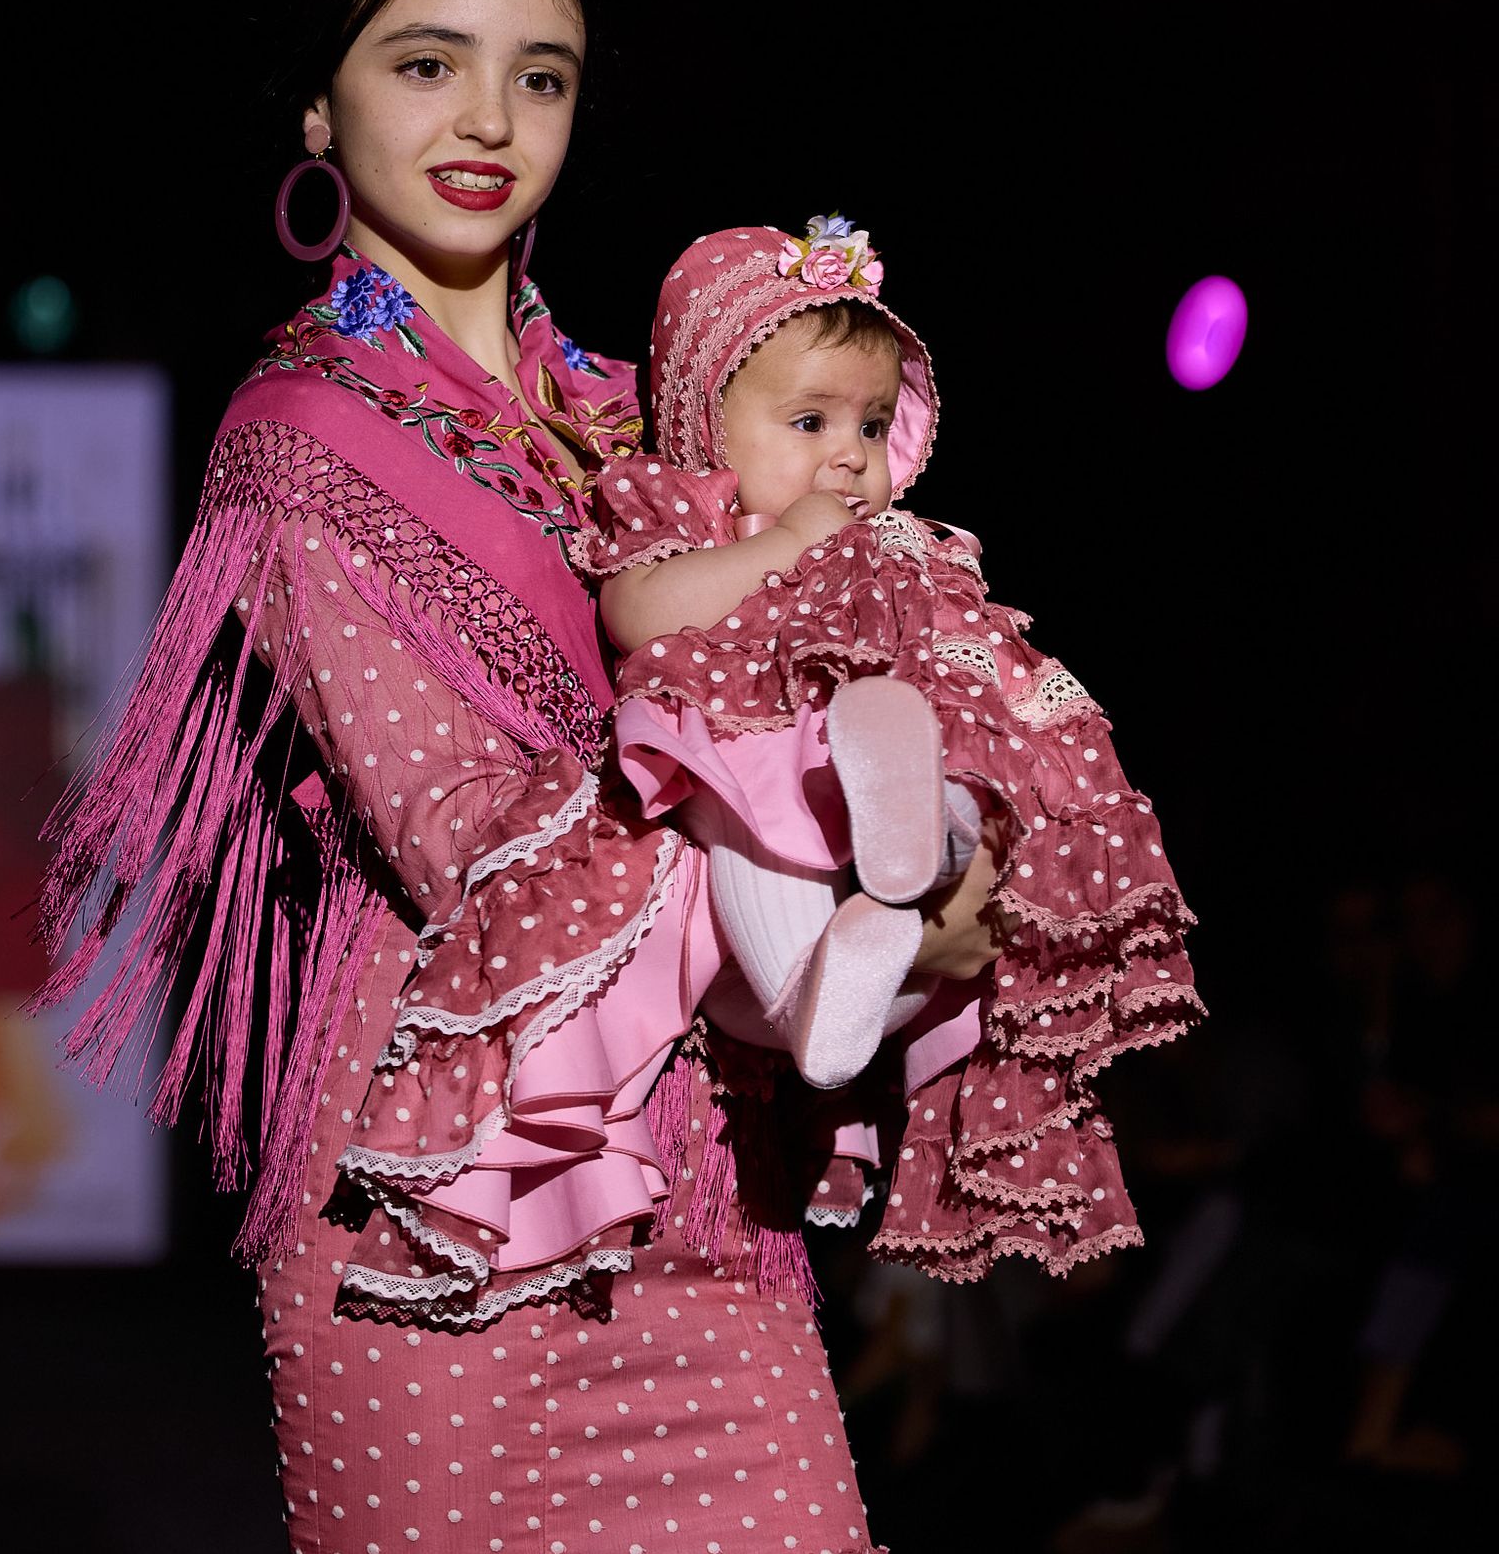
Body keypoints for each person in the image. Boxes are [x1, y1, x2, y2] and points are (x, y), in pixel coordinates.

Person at [30, 0, 997, 1554]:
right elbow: (483, 841)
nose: (489, 120)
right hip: (440, 1226)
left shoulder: (651, 414)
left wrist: (949, 866)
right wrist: (846, 901)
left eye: (536, 75)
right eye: (425, 62)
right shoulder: (298, 443)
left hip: (701, 1198)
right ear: (321, 94)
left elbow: (831, 695)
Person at [487, 220, 1204, 1280]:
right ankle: (837, 967)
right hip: (748, 744)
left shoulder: (898, 546)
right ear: (704, 422)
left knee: (963, 785)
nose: (848, 454)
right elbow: (637, 609)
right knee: (756, 861)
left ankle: (916, 831)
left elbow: (985, 656)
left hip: (885, 758)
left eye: (871, 425)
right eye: (811, 418)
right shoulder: (692, 513)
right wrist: (776, 549)